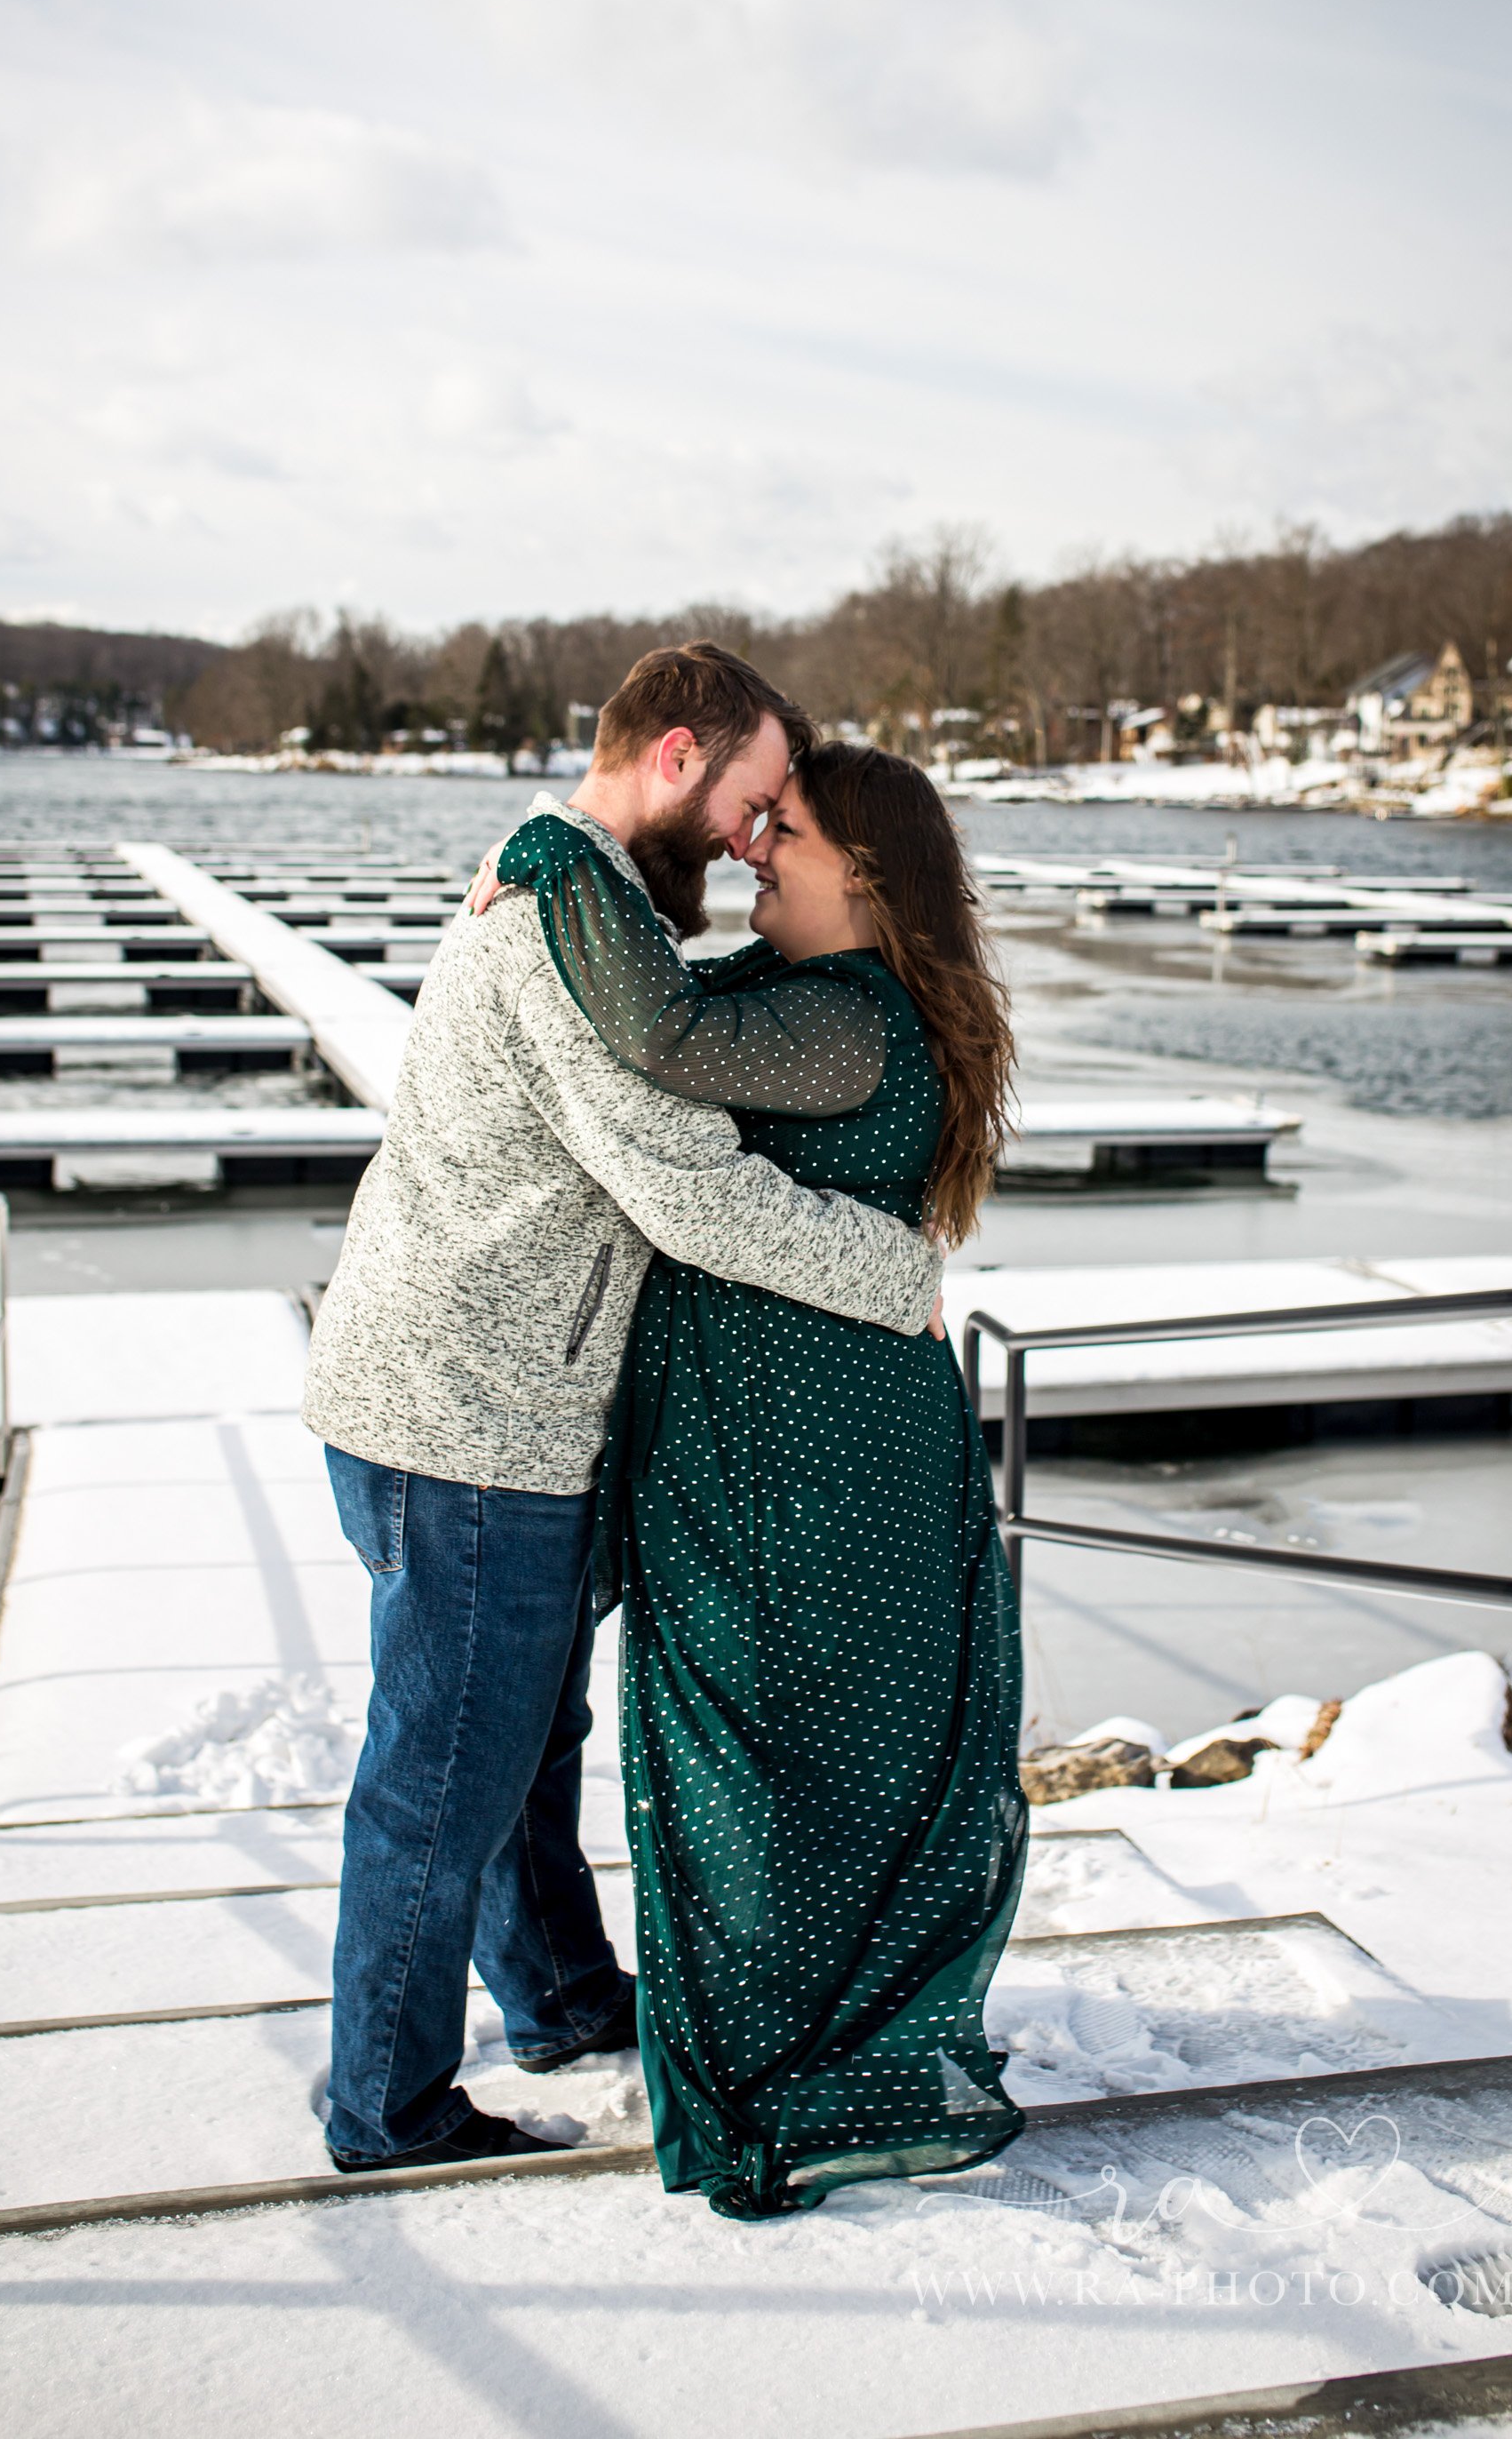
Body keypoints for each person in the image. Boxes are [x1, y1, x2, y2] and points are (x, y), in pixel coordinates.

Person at [301, 649, 944, 2174]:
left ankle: (566, 1997)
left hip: (468, 1405)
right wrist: (894, 1265)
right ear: (674, 756)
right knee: (442, 1781)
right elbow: (688, 1190)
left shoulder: (585, 909)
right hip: (467, 1427)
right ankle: (383, 2110)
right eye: (752, 797)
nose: (754, 833)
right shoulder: (557, 939)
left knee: (519, 1744)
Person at [492, 741, 1027, 2221]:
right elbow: (646, 1025)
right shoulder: (814, 1006)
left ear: (864, 872)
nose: (751, 854)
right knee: (778, 1760)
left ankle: (771, 2067)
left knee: (772, 1760)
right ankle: (766, 2041)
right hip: (788, 1449)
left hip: (817, 1467)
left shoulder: (846, 1021)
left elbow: (653, 1034)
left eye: (777, 832)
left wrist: (553, 849)